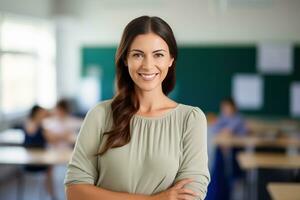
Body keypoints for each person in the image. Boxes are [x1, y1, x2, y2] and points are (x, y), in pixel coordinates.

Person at [64, 15, 210, 200]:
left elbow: (190, 195)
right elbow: (75, 191)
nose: (148, 65)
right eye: (138, 54)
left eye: (158, 54)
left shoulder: (190, 119)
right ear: (125, 59)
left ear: (171, 59)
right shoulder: (100, 115)